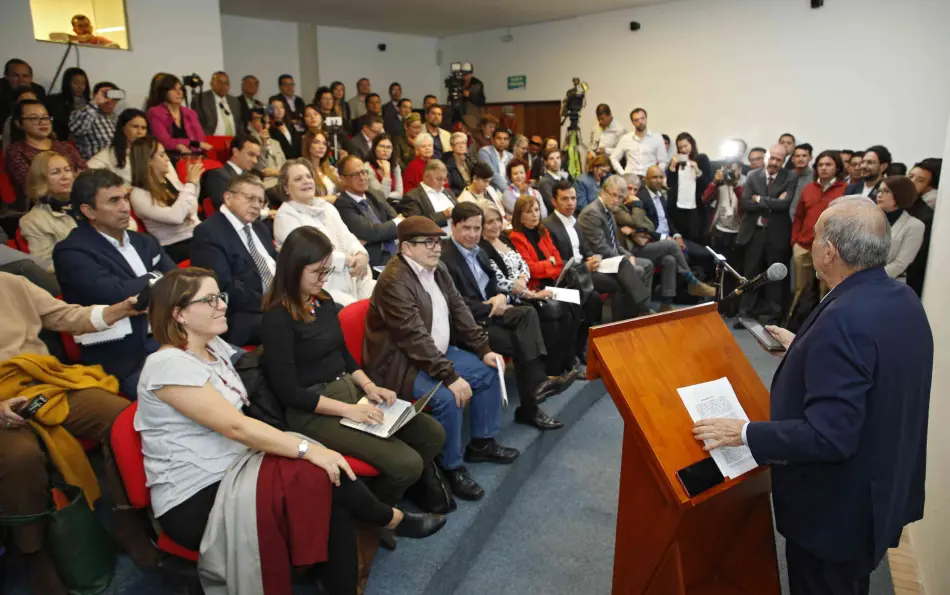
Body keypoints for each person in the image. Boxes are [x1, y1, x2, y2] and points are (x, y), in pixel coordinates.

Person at [137, 268, 445, 594]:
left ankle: (355, 562)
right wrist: (307, 448)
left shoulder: (216, 348)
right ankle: (388, 518)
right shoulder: (167, 365)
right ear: (179, 313)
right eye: (210, 300)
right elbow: (236, 426)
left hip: (237, 468)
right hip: (197, 494)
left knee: (328, 482)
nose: (222, 305)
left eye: (221, 296)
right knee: (319, 469)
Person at [693, 197, 932, 595]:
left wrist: (745, 434)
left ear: (829, 251)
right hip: (879, 492)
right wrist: (804, 347)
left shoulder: (844, 320)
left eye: (817, 233)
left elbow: (829, 436)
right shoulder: (901, 299)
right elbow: (873, 369)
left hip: (837, 512)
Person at [261, 225, 445, 503]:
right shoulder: (277, 318)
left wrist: (371, 387)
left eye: (327, 270)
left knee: (433, 434)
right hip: (313, 409)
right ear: (293, 269)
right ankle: (377, 513)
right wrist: (349, 410)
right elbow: (290, 393)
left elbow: (343, 355)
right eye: (317, 272)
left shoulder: (322, 301)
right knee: (406, 464)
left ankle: (384, 492)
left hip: (347, 389)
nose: (324, 279)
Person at [0, 272, 156, 595]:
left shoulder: (10, 282)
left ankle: (127, 517)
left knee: (122, 417)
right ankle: (35, 554)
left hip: (43, 383)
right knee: (20, 458)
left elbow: (69, 316)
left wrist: (122, 308)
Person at [363, 215, 515, 500]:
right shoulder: (394, 281)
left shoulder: (438, 268)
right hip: (402, 364)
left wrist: (483, 349)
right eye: (427, 243)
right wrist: (450, 376)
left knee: (489, 369)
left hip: (436, 353)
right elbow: (413, 338)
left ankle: (481, 442)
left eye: (437, 241)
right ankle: (451, 467)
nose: (436, 248)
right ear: (406, 248)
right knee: (447, 397)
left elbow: (460, 312)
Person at [441, 202, 575, 428]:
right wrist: (491, 304)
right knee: (522, 341)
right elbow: (455, 305)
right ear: (453, 226)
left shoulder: (479, 251)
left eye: (476, 228)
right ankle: (532, 402)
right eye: (466, 228)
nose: (472, 234)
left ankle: (538, 388)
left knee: (530, 314)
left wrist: (500, 298)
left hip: (495, 310)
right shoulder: (446, 258)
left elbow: (494, 284)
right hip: (470, 324)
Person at [53, 169, 176, 396]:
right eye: (113, 201)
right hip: (126, 358)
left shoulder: (143, 241)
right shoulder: (72, 251)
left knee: (239, 370)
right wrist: (156, 276)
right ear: (88, 210)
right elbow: (116, 294)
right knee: (198, 394)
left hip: (170, 338)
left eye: (125, 198)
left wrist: (153, 281)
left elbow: (177, 280)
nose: (125, 207)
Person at [190, 174, 276, 347]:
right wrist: (272, 301)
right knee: (297, 323)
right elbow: (224, 289)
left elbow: (276, 264)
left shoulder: (259, 228)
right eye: (250, 198)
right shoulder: (208, 233)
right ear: (228, 198)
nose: (256, 205)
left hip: (276, 302)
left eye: (261, 201)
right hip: (241, 316)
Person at [274, 159, 375, 305]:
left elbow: (348, 237)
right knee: (358, 312)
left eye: (309, 176)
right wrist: (348, 260)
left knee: (390, 296)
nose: (306, 181)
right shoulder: (285, 215)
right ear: (285, 188)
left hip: (354, 278)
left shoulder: (326, 207)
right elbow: (311, 255)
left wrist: (361, 254)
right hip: (322, 287)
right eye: (298, 179)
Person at [503, 197, 584, 374]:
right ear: (520, 215)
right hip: (535, 289)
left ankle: (568, 360)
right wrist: (550, 264)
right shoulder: (517, 237)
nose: (534, 215)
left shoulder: (543, 231)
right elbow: (531, 269)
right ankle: (556, 367)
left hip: (553, 284)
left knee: (576, 307)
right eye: (529, 211)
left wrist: (550, 264)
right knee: (565, 315)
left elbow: (559, 260)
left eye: (537, 210)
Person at [737, 144, 798, 323]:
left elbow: (784, 204)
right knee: (750, 274)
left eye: (779, 159)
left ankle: (773, 315)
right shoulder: (752, 175)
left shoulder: (790, 176)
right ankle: (745, 313)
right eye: (771, 158)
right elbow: (746, 203)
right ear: (766, 158)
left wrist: (759, 199)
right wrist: (771, 201)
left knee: (775, 276)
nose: (774, 162)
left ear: (783, 161)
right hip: (754, 233)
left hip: (777, 233)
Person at [789, 150, 847, 313]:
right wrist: (795, 241)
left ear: (837, 167)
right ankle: (794, 325)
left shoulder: (845, 189)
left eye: (828, 164)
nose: (824, 168)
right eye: (820, 165)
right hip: (804, 247)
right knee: (801, 290)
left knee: (826, 292)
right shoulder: (809, 188)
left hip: (829, 250)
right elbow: (799, 216)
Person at [129, 137, 202, 262]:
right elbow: (176, 217)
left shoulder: (168, 181)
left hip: (194, 236)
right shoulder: (138, 194)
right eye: (162, 155)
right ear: (148, 160)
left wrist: (191, 188)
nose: (167, 159)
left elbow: (192, 204)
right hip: (175, 247)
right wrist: (190, 184)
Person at [7, 100, 87, 200]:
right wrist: (73, 178)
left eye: (45, 117)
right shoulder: (17, 151)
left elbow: (86, 176)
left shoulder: (65, 146)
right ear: (19, 123)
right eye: (34, 118)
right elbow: (33, 184)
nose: (43, 122)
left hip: (78, 198)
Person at [335, 155, 403, 268]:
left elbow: (399, 222)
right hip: (375, 261)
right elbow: (372, 233)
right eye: (356, 174)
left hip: (397, 252)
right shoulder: (343, 204)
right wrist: (392, 225)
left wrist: (376, 235)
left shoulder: (375, 194)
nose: (362, 178)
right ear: (342, 178)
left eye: (364, 172)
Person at [19, 151, 78, 271]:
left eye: (67, 170)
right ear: (41, 179)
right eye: (56, 172)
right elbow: (46, 265)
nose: (65, 177)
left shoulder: (90, 202)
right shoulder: (33, 221)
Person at [702, 161, 746, 315]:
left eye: (734, 171)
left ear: (740, 171)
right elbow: (705, 199)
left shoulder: (744, 185)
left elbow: (745, 204)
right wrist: (715, 181)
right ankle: (719, 304)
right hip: (720, 230)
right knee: (720, 270)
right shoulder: (718, 184)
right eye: (728, 170)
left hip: (737, 232)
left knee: (734, 271)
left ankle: (732, 306)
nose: (730, 174)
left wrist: (736, 185)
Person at [146, 74, 210, 161]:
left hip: (194, 155)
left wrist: (194, 147)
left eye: (180, 89)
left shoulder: (190, 113)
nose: (179, 93)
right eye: (173, 89)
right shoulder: (155, 113)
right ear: (164, 92)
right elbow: (164, 141)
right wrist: (189, 143)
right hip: (169, 157)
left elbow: (201, 139)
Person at [666, 133, 713, 242]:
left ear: (692, 144)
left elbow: (707, 184)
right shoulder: (676, 162)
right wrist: (672, 166)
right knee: (681, 238)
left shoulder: (701, 159)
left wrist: (697, 170)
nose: (683, 149)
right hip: (678, 206)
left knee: (696, 238)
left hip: (695, 206)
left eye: (686, 146)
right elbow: (669, 184)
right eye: (680, 147)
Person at [876, 176, 925, 281]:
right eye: (879, 191)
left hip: (890, 282)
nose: (879, 195)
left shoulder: (915, 225)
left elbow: (900, 264)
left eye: (886, 191)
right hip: (856, 280)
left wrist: (867, 278)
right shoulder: (869, 217)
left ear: (900, 194)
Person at [905, 159, 940, 296]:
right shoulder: (894, 204)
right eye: (910, 176)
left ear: (929, 188)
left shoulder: (925, 215)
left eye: (920, 180)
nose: (911, 182)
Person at [201, 135, 262, 211]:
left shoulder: (252, 176)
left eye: (257, 157)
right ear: (235, 152)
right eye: (251, 154)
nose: (255, 161)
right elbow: (227, 208)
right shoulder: (217, 175)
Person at [87, 108, 148, 184]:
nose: (140, 132)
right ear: (123, 128)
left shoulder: (152, 151)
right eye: (135, 127)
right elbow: (87, 174)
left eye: (143, 128)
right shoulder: (109, 154)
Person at [402, 159, 458, 234]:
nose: (442, 183)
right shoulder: (412, 196)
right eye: (439, 179)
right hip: (433, 241)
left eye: (444, 179)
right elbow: (416, 224)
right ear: (426, 176)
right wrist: (443, 215)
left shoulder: (448, 192)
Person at [610, 108, 669, 176]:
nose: (640, 122)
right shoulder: (626, 139)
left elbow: (664, 161)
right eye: (636, 120)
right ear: (632, 122)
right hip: (631, 179)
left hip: (649, 179)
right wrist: (623, 174)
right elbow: (613, 158)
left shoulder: (657, 138)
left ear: (646, 119)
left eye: (642, 118)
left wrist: (655, 174)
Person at [246, 108, 286, 204]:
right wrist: (263, 144)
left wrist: (276, 172)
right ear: (250, 123)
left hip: (283, 183)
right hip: (267, 185)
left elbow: (285, 166)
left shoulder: (275, 143)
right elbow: (261, 170)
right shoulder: (249, 143)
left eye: (266, 121)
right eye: (258, 120)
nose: (264, 124)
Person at [191, 71, 241, 137]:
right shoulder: (200, 99)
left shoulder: (234, 101)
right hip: (211, 141)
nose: (223, 86)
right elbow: (196, 123)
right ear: (211, 84)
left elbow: (239, 124)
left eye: (226, 83)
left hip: (233, 142)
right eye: (219, 82)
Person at [46, 67, 88, 141]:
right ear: (67, 83)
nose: (80, 87)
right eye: (76, 83)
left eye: (83, 84)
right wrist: (51, 127)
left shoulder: (89, 103)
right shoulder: (54, 100)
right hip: (62, 138)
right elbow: (49, 117)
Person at [0, 59, 46, 127]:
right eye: (15, 76)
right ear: (6, 76)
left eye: (25, 76)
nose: (21, 80)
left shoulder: (39, 91)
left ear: (31, 78)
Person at [301, 130, 341, 204]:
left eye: (324, 143)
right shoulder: (302, 171)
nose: (321, 146)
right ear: (308, 145)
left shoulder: (330, 169)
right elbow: (307, 200)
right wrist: (333, 198)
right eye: (316, 142)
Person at [364, 133, 404, 201]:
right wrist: (387, 173)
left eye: (389, 147)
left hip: (393, 205)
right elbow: (381, 196)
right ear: (374, 148)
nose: (385, 150)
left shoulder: (395, 166)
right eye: (382, 146)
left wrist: (388, 195)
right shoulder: (367, 168)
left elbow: (400, 194)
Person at [536, 147, 573, 213]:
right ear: (546, 162)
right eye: (551, 158)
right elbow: (553, 204)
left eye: (558, 158)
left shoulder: (563, 178)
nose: (555, 161)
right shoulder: (545, 182)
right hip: (553, 217)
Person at [478, 128, 513, 193]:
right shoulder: (485, 152)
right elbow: (493, 174)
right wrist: (508, 191)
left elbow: (512, 177)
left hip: (507, 191)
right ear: (493, 140)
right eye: (499, 138)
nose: (502, 141)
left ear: (508, 141)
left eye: (505, 139)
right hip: (490, 191)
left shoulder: (510, 156)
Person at [788, 143, 815, 220]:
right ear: (793, 159)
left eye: (804, 156)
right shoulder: (785, 176)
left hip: (805, 220)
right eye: (797, 156)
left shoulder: (816, 177)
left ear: (810, 158)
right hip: (785, 220)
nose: (800, 159)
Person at [445, 131, 475, 196]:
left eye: (463, 143)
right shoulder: (448, 165)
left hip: (474, 192)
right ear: (452, 147)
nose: (461, 145)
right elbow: (449, 188)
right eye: (457, 143)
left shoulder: (471, 160)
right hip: (460, 195)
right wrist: (465, 192)